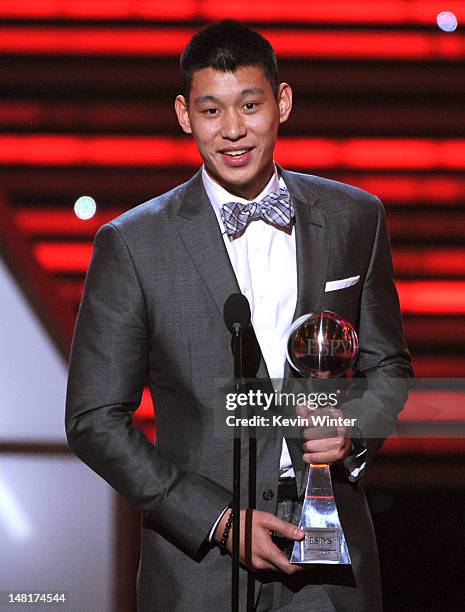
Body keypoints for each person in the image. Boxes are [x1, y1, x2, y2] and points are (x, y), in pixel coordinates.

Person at [65, 20, 412, 611]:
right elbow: (95, 418)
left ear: (282, 102)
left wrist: (353, 430)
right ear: (183, 114)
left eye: (250, 105)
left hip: (328, 560)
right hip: (200, 562)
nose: (232, 130)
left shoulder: (355, 217)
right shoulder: (133, 244)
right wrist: (219, 519)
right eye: (210, 111)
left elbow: (390, 366)